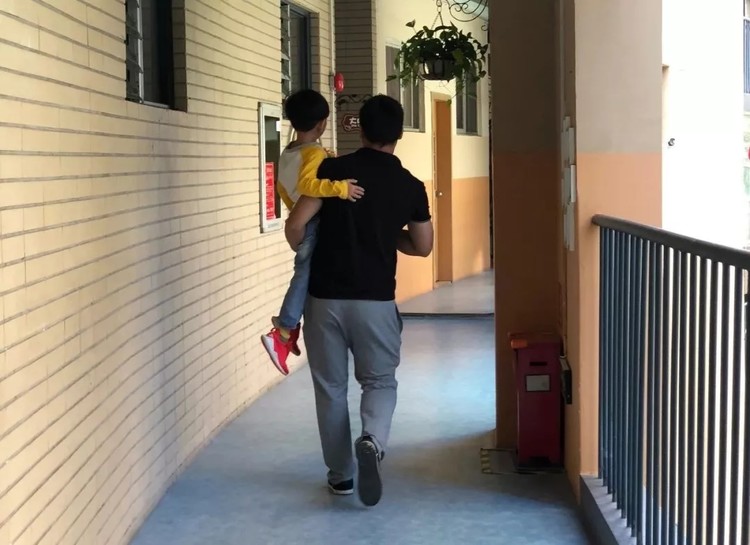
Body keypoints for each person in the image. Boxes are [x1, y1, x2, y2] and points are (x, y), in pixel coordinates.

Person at [284, 95, 434, 506]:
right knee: (379, 381)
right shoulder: (410, 186)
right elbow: (423, 246)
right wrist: (386, 234)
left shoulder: (333, 170)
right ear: (399, 135)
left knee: (331, 388)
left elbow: (296, 226)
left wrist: (309, 249)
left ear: (361, 130)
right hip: (376, 302)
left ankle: (341, 477)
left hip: (324, 300)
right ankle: (372, 440)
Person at [261, 89, 364, 376]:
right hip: (314, 221)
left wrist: (294, 210)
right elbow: (309, 186)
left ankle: (290, 330)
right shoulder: (314, 152)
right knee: (305, 275)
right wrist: (341, 188)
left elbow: (284, 188)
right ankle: (283, 329)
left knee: (306, 275)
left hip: (302, 218)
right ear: (322, 124)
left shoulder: (288, 152)